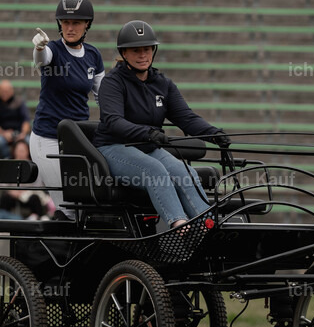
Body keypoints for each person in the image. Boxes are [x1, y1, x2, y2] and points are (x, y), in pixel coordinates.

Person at [93, 20, 229, 229]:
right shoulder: (113, 83)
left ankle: (208, 225)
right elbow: (114, 121)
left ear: (153, 51)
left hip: (148, 147)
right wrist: (147, 133)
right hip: (114, 147)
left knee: (185, 172)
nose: (142, 55)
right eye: (136, 50)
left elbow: (186, 118)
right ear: (124, 53)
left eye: (147, 49)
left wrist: (213, 134)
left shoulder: (162, 84)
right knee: (154, 170)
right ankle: (179, 226)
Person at [30, 0, 103, 218]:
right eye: (65, 22)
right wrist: (39, 48)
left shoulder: (93, 55)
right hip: (48, 137)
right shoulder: (52, 49)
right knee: (68, 207)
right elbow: (42, 59)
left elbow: (103, 96)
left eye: (76, 23)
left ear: (87, 25)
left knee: (86, 204)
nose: (70, 28)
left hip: (77, 139)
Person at [0, 80, 31, 160]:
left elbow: (26, 120)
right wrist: (4, 133)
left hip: (19, 132)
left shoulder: (19, 103)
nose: (4, 93)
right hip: (4, 134)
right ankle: (8, 159)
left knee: (29, 141)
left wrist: (23, 133)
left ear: (12, 91)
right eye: (2, 91)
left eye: (6, 91)